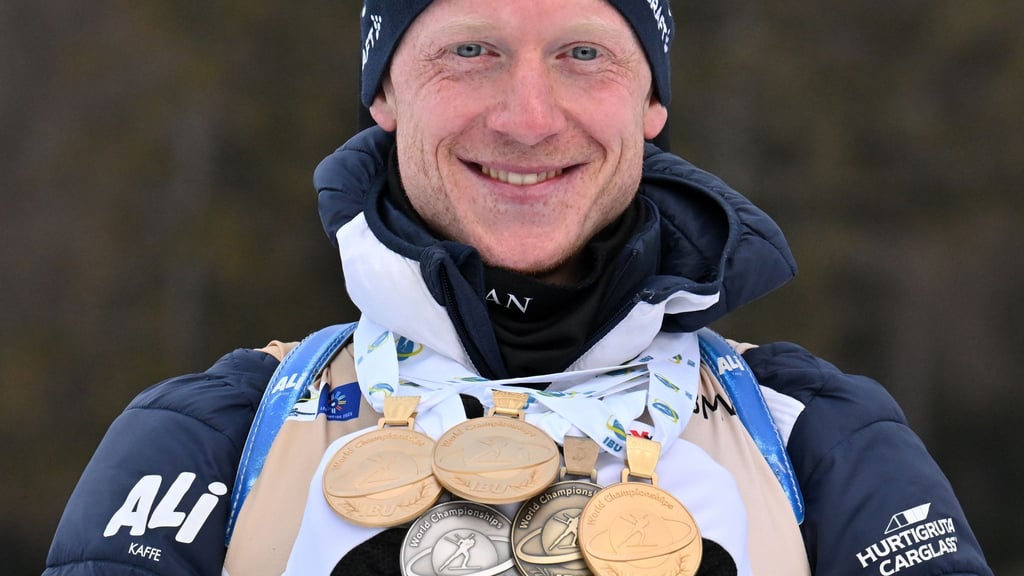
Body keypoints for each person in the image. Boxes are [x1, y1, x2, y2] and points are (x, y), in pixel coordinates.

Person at [44, 0, 993, 575]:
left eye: (583, 53)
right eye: (471, 50)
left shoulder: (816, 434)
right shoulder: (215, 430)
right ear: (383, 93)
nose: (529, 119)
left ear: (651, 103)